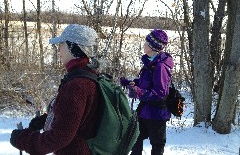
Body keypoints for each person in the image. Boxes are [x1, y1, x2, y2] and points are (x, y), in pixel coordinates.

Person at [10, 24, 101, 155]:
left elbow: (58, 138)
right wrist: (45, 120)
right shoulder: (91, 76)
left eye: (62, 44)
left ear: (73, 48)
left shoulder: (77, 85)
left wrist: (22, 139)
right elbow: (78, 117)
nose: (58, 50)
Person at [120, 29, 174, 155]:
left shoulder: (161, 67)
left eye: (146, 42)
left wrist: (138, 91)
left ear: (152, 46)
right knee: (135, 139)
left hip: (157, 114)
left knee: (157, 146)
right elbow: (146, 83)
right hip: (145, 111)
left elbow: (160, 93)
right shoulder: (150, 62)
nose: (143, 44)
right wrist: (131, 83)